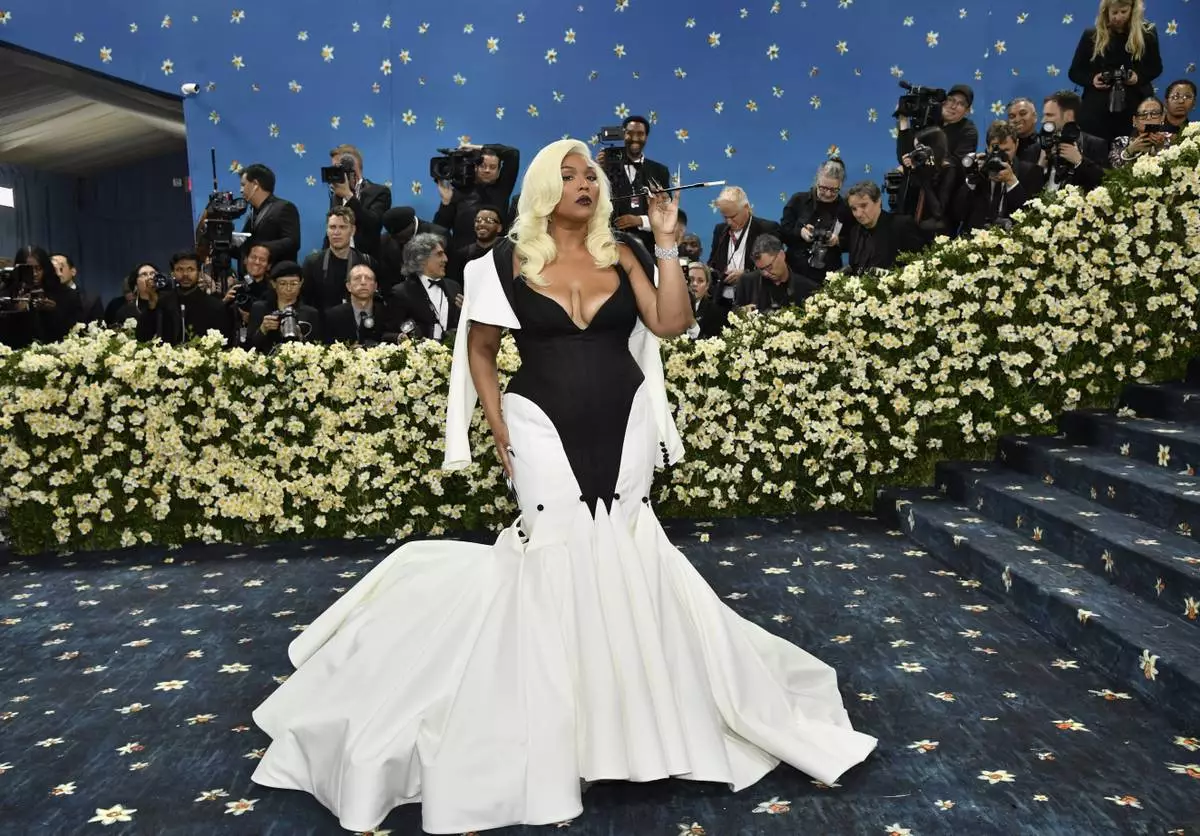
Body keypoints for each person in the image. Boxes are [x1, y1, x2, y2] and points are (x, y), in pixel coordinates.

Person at [249, 138, 876, 834]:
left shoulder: (627, 253)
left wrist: (666, 242)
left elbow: (672, 323)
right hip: (537, 424)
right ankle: (558, 736)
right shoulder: (499, 261)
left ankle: (639, 730)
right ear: (547, 185)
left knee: (625, 547)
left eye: (592, 176)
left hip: (628, 419)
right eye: (571, 174)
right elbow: (480, 352)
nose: (585, 183)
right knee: (559, 548)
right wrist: (497, 430)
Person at [1067, 0, 1162, 142]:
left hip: (1135, 107)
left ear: (1133, 10)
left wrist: (1138, 77)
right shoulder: (1091, 35)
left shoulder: (1147, 33)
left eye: (1123, 12)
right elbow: (1074, 72)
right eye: (1114, 13)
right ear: (1106, 12)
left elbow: (1156, 67)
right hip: (1097, 112)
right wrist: (1092, 79)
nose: (1118, 17)